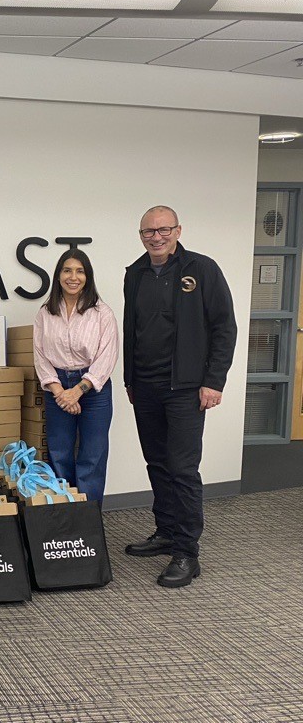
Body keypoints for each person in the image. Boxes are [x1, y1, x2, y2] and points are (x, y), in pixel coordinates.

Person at [123, 205, 236, 588]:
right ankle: (166, 532)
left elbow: (224, 327)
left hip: (186, 388)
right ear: (141, 235)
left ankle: (187, 552)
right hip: (146, 386)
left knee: (183, 469)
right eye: (148, 231)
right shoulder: (134, 273)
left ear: (177, 230)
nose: (156, 236)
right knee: (156, 462)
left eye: (163, 229)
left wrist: (214, 381)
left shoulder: (202, 270)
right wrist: (130, 380)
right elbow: (131, 329)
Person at [33, 249, 118, 504]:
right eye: (67, 270)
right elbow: (39, 353)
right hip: (56, 387)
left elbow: (107, 356)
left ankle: (88, 519)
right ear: (58, 276)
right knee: (59, 453)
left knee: (92, 455)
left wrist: (78, 390)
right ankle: (65, 515)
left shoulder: (102, 313)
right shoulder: (46, 312)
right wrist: (60, 392)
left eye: (80, 271)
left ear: (88, 276)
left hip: (94, 389)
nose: (73, 277)